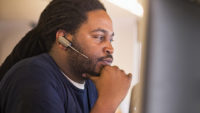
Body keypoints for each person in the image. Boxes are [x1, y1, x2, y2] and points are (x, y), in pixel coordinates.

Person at [0, 0, 132, 113]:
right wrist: (107, 103)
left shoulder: (91, 85)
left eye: (111, 40)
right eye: (99, 37)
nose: (110, 48)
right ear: (63, 39)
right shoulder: (33, 76)